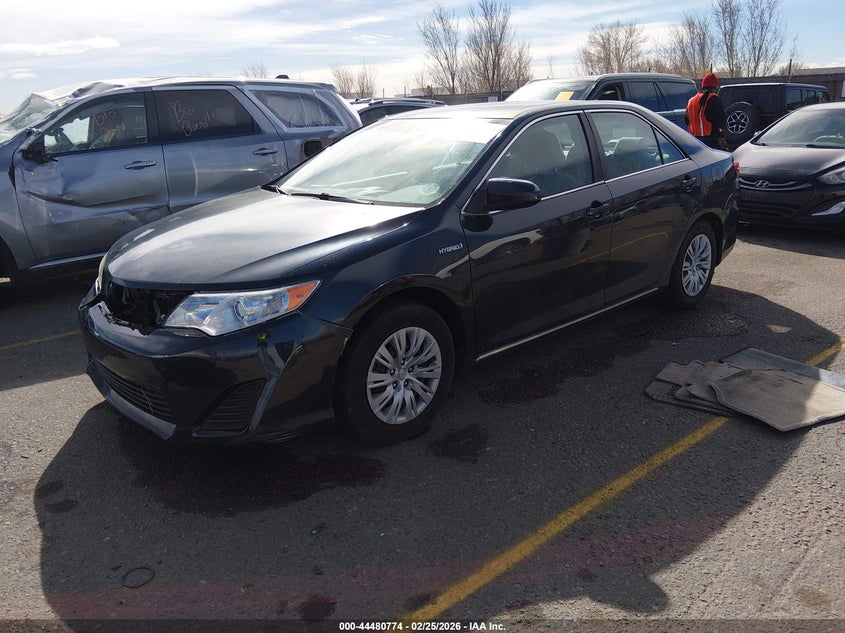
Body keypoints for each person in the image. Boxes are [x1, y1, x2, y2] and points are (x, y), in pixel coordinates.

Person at [686, 73, 727, 149]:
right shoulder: (714, 99)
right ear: (715, 86)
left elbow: (687, 121)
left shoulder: (691, 100)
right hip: (711, 141)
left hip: (694, 140)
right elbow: (720, 121)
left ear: (702, 86)